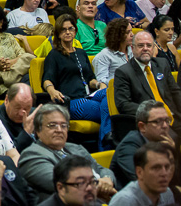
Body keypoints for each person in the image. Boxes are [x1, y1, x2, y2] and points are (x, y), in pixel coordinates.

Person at [18, 104, 116, 202]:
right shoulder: (31, 155)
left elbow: (101, 169)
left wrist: (107, 179)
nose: (59, 130)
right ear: (38, 130)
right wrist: (101, 186)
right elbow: (65, 184)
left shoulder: (75, 148)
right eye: (52, 125)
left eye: (63, 125)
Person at [43, 14, 111, 148]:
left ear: (75, 31)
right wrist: (51, 90)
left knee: (110, 93)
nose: (68, 32)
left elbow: (90, 78)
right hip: (71, 101)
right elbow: (47, 79)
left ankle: (106, 138)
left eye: (70, 29)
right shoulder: (54, 54)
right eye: (63, 30)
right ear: (58, 33)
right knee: (107, 108)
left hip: (88, 96)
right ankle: (105, 142)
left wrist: (98, 84)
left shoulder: (81, 52)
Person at [113, 31, 181, 136]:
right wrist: (152, 112)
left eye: (149, 45)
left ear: (153, 47)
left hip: (173, 116)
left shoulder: (162, 64)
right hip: (152, 122)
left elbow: (175, 91)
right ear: (132, 48)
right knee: (173, 138)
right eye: (140, 45)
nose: (145, 48)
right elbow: (123, 104)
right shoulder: (123, 72)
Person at [111, 100, 175, 185]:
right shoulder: (129, 146)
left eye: (167, 120)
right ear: (142, 127)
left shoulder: (164, 143)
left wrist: (172, 155)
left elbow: (175, 180)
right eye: (158, 121)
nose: (165, 126)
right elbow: (143, 181)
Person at [109, 142, 176, 206]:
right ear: (139, 172)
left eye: (167, 167)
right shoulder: (125, 201)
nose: (164, 173)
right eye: (156, 168)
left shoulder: (167, 193)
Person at [36, 155, 104, 206]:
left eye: (92, 182)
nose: (90, 188)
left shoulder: (96, 204)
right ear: (61, 188)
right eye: (81, 183)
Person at [0, 83, 37, 152]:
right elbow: (9, 153)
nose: (22, 113)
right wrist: (26, 133)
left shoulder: (34, 114)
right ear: (6, 100)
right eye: (17, 108)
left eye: (26, 108)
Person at [91, 18, 133, 85]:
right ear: (117, 36)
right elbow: (102, 81)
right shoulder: (104, 55)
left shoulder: (133, 51)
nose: (132, 34)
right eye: (128, 32)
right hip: (115, 90)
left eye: (131, 31)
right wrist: (122, 82)